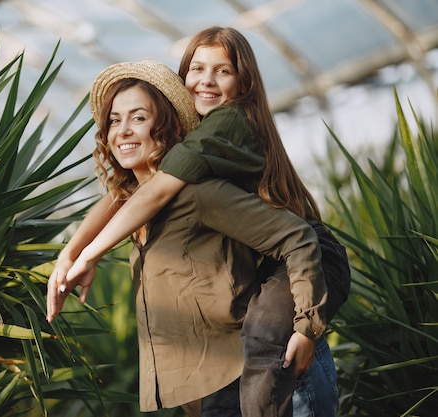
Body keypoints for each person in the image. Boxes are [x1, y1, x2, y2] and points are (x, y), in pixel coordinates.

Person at [49, 27, 350, 417]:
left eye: (139, 117)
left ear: (172, 125)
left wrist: (306, 329)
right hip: (205, 378)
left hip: (306, 261)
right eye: (113, 120)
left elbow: (296, 238)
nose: (122, 130)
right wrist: (70, 254)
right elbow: (124, 197)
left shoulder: (218, 140)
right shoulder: (151, 191)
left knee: (265, 337)